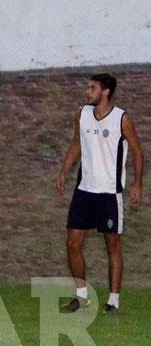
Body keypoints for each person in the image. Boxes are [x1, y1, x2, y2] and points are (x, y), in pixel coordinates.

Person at [56, 73, 143, 314]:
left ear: (105, 91)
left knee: (112, 245)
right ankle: (81, 296)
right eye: (88, 87)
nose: (87, 91)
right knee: (72, 243)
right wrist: (64, 171)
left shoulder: (121, 119)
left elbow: (137, 151)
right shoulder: (82, 114)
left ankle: (113, 300)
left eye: (92, 88)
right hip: (84, 191)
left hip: (109, 193)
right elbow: (77, 144)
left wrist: (137, 185)